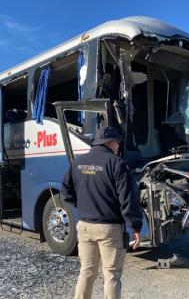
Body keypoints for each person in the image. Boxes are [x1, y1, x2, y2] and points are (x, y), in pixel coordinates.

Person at [61, 126, 143, 299]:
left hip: (84, 227)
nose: (119, 146)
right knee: (111, 275)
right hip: (109, 229)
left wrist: (83, 206)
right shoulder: (117, 163)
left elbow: (65, 192)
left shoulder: (77, 163)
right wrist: (135, 227)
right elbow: (127, 199)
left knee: (86, 272)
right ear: (111, 142)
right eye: (118, 143)